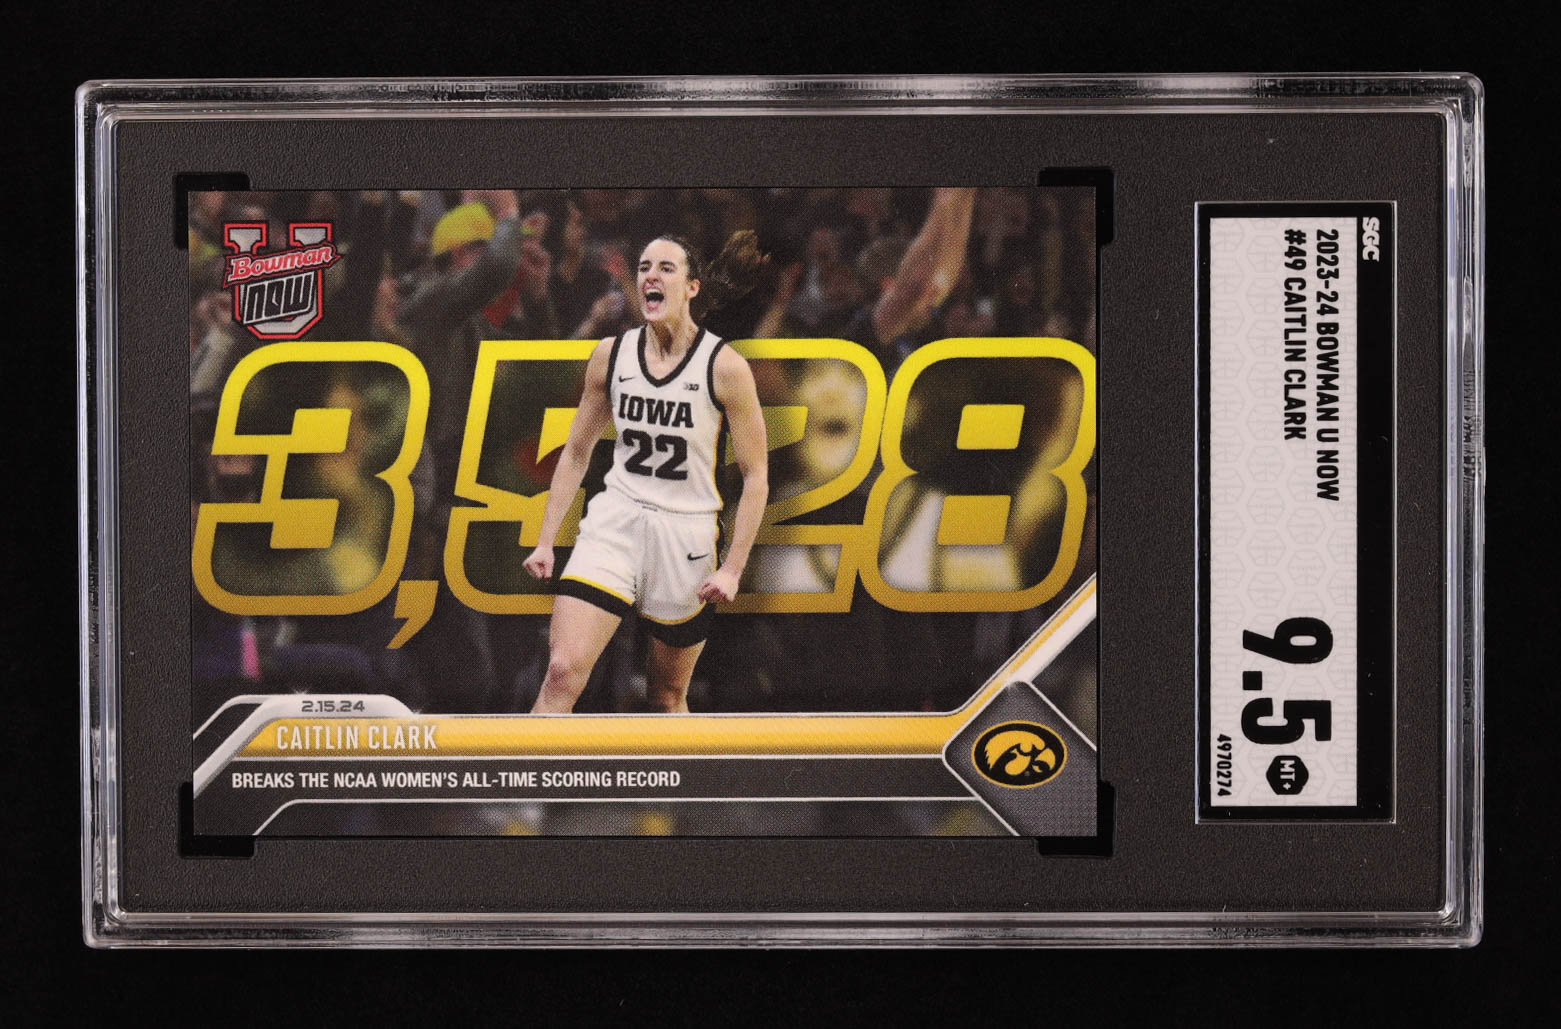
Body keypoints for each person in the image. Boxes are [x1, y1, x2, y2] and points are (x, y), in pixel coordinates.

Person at [522, 232, 770, 713]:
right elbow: (576, 451)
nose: (650, 276)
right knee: (561, 671)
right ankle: (527, 767)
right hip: (616, 521)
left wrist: (733, 568)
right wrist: (547, 539)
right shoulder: (611, 355)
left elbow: (756, 475)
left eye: (666, 268)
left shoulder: (725, 367)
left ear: (692, 288)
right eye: (643, 268)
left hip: (686, 532)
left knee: (667, 696)